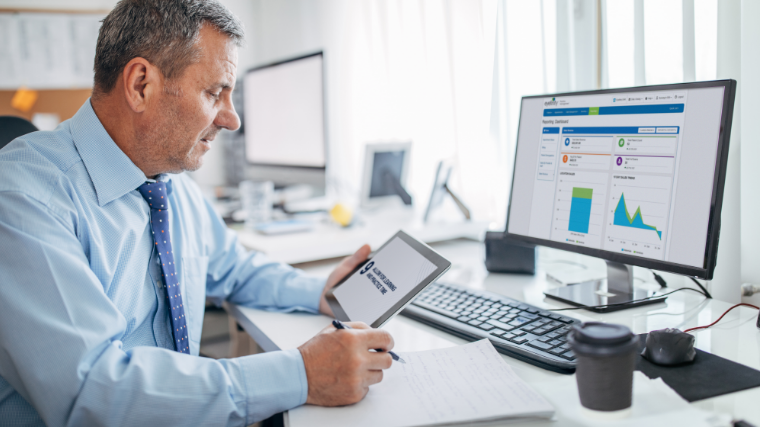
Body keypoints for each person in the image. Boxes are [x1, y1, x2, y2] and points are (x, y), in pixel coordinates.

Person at [0, 1, 394, 425]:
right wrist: (303, 372)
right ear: (140, 85)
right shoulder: (23, 197)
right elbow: (95, 391)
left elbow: (235, 269)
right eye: (214, 92)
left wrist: (319, 293)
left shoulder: (169, 183)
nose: (232, 118)